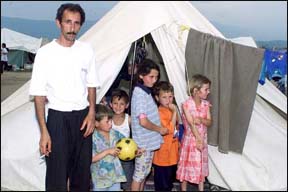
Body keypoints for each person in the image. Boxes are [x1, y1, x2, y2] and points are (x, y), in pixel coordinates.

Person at [29, 3, 99, 191]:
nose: (72, 27)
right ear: (58, 23)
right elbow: (38, 95)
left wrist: (92, 113)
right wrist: (44, 131)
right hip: (57, 118)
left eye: (76, 23)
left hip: (83, 117)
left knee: (82, 173)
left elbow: (92, 84)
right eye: (68, 22)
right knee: (57, 174)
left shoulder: (87, 50)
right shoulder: (45, 54)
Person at [130, 58, 169, 191]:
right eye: (151, 77)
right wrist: (159, 129)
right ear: (141, 75)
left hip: (147, 142)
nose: (154, 80)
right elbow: (143, 121)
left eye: (156, 77)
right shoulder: (140, 94)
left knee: (144, 174)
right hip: (143, 143)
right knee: (139, 176)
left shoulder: (145, 92)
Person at [176, 74, 212, 191]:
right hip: (191, 141)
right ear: (196, 91)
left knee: (200, 165)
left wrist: (201, 120)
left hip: (201, 140)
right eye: (206, 89)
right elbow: (191, 124)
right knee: (187, 166)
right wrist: (198, 140)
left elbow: (209, 122)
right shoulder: (186, 105)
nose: (208, 91)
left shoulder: (206, 105)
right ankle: (184, 189)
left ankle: (201, 189)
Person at [90, 104, 127, 191]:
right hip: (100, 179)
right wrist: (107, 151)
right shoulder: (92, 138)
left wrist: (136, 150)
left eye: (111, 120)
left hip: (116, 177)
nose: (110, 124)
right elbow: (91, 158)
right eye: (107, 121)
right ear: (96, 123)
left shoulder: (115, 133)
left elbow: (127, 144)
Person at [152, 81, 179, 191]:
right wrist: (174, 113)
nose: (168, 100)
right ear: (157, 98)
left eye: (170, 96)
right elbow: (169, 129)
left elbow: (177, 127)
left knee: (169, 183)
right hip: (162, 155)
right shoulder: (159, 112)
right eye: (164, 97)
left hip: (172, 153)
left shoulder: (171, 109)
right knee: (162, 185)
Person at [109, 88, 134, 191]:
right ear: (111, 104)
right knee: (112, 182)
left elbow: (136, 135)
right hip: (111, 156)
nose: (118, 107)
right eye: (115, 103)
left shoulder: (129, 119)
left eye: (121, 104)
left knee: (127, 183)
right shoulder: (108, 119)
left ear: (127, 105)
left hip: (126, 157)